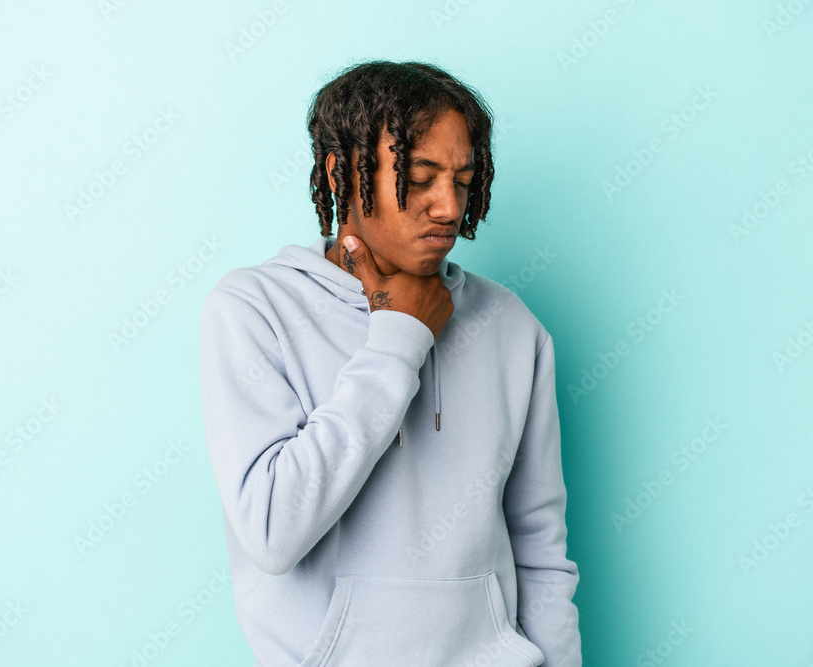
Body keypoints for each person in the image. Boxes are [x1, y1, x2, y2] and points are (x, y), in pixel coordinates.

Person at [199, 60, 581, 666]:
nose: (448, 207)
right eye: (420, 177)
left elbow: (540, 549)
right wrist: (398, 340)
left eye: (463, 180)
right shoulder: (255, 308)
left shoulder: (510, 326)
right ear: (340, 173)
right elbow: (272, 530)